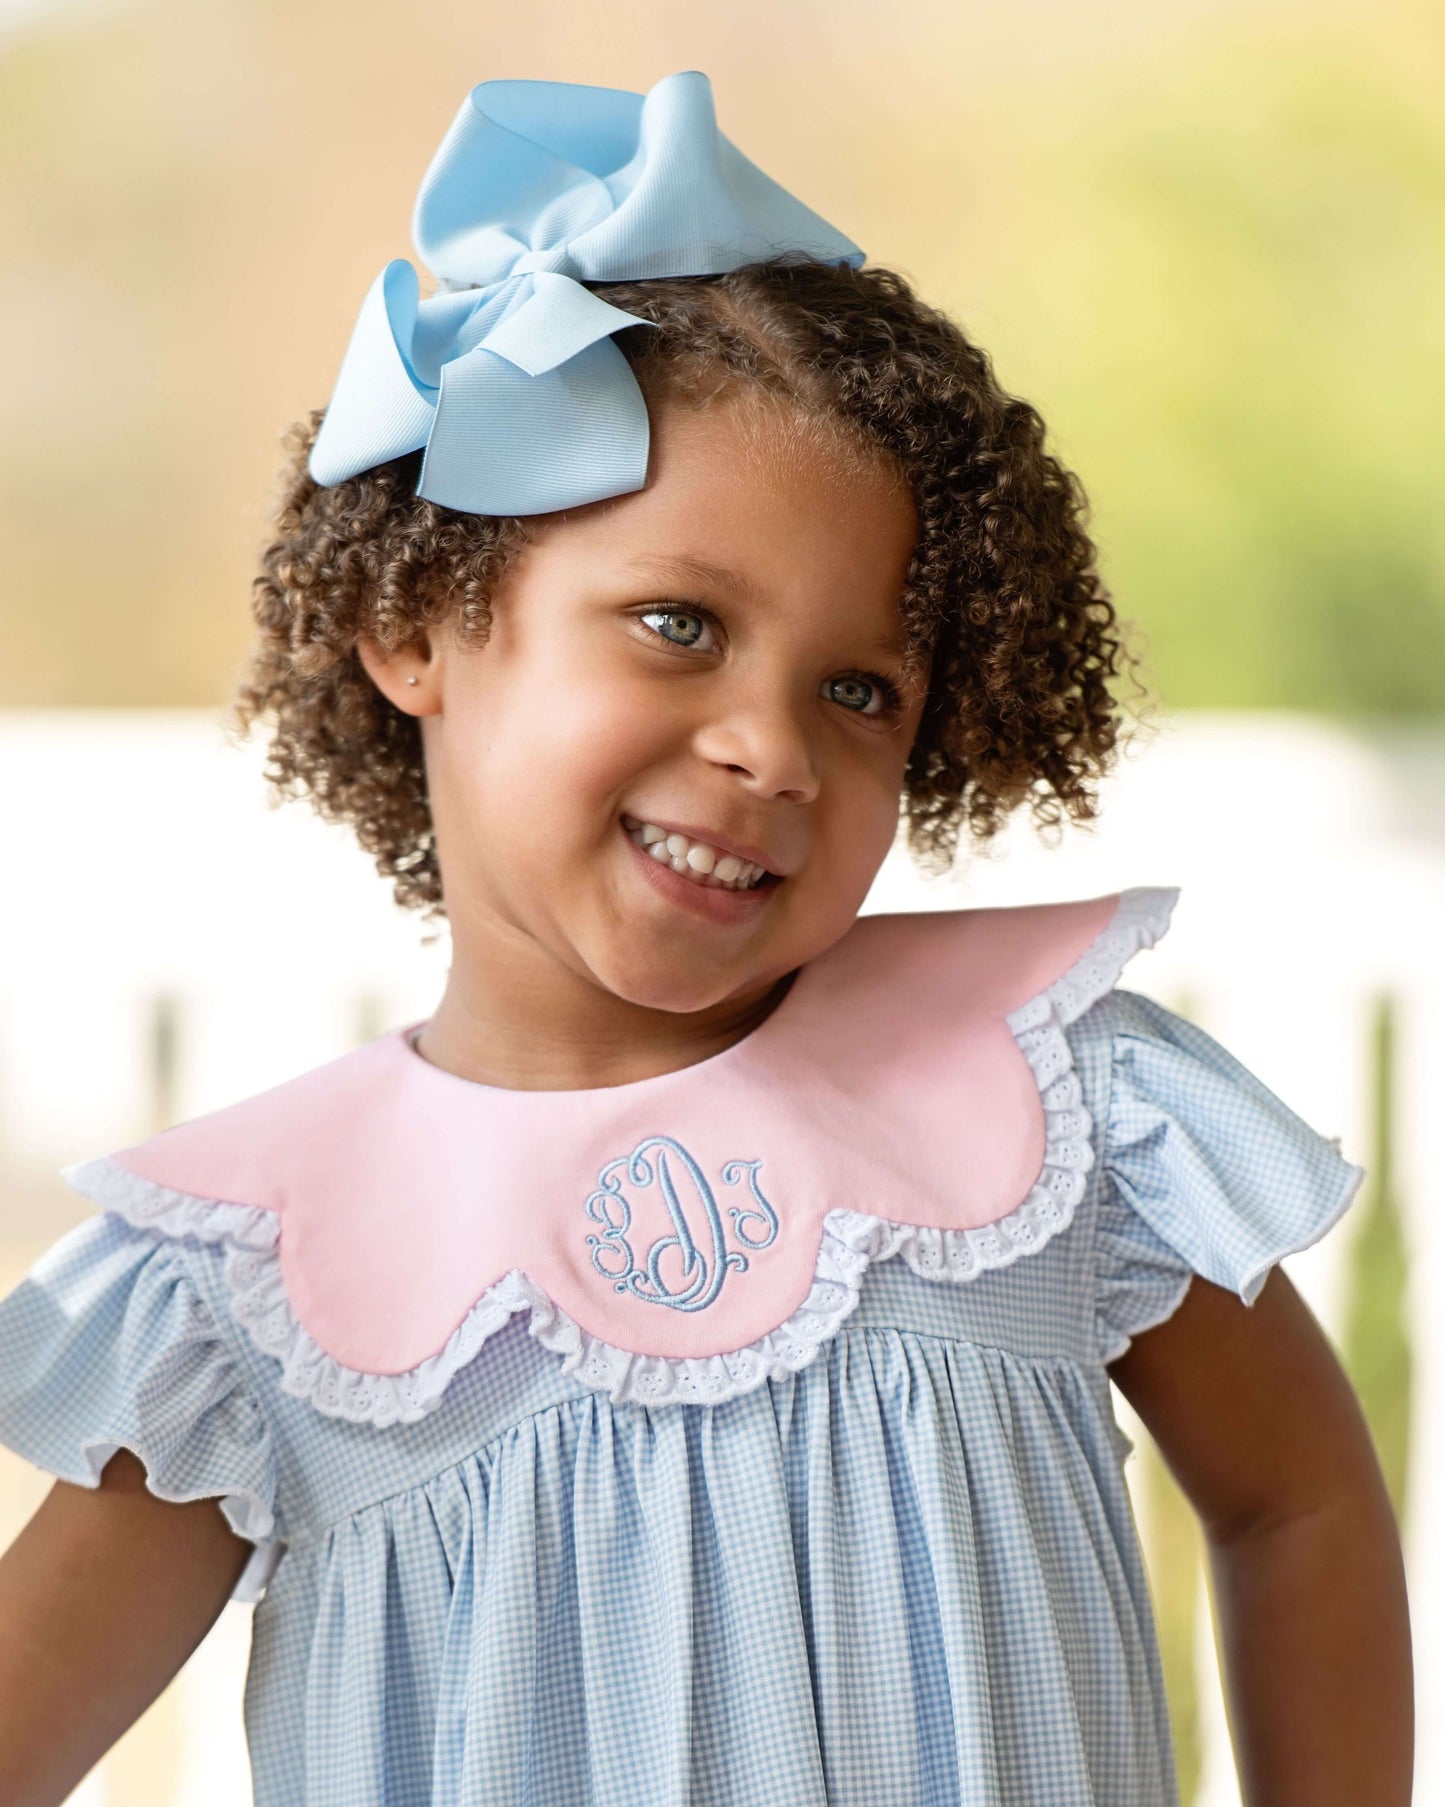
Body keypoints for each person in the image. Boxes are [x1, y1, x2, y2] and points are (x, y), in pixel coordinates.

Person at [0, 69, 1412, 1807]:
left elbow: (1299, 1502)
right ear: (412, 619)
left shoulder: (1055, 1109)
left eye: (858, 689)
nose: (769, 745)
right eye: (677, 623)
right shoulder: (249, 1295)